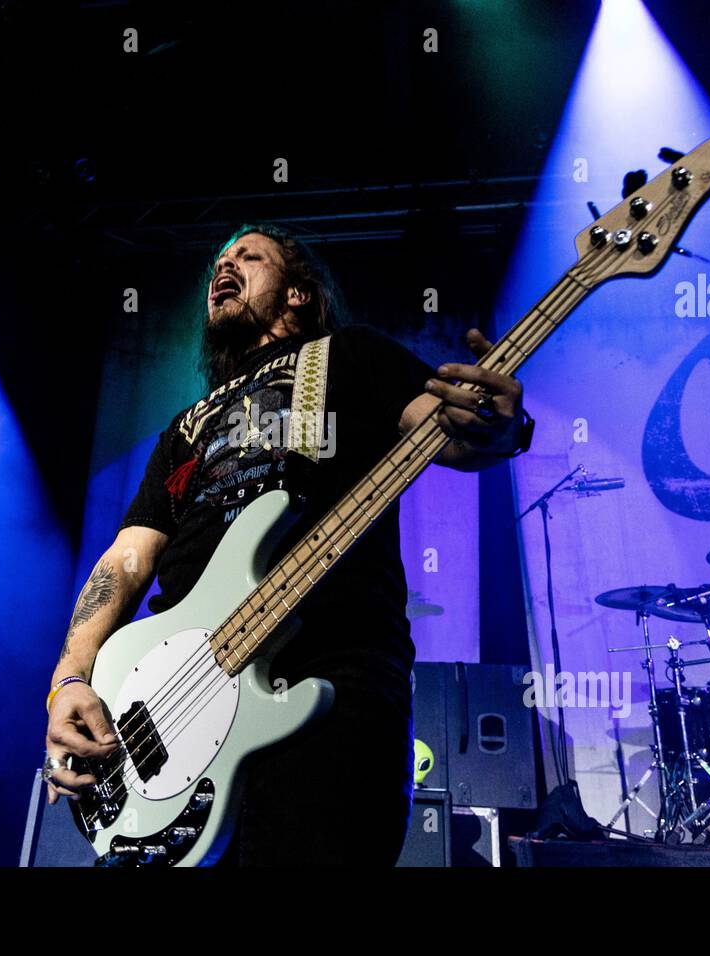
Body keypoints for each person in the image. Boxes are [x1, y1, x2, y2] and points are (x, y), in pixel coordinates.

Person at [40, 223, 531, 865]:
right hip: (173, 703)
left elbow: (450, 434)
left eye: (248, 256)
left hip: (330, 684)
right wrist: (70, 678)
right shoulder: (183, 429)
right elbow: (125, 561)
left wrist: (499, 426)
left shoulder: (350, 356)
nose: (225, 266)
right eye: (220, 258)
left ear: (298, 293)